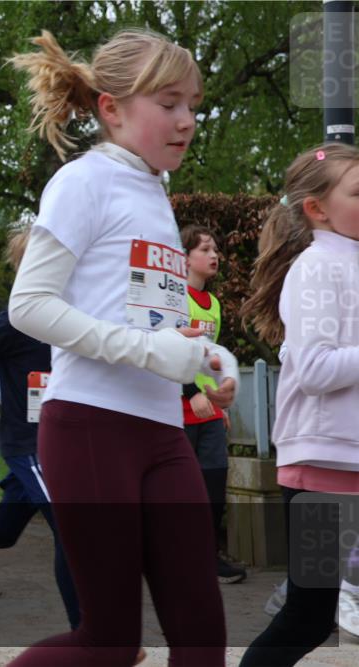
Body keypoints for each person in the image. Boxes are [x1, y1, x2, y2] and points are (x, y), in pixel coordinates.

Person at [6, 29, 238, 666]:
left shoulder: (155, 191)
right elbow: (29, 306)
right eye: (168, 103)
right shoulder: (83, 181)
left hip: (164, 434)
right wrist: (150, 352)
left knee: (203, 640)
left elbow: (146, 323)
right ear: (111, 108)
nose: (187, 120)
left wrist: (206, 360)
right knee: (109, 643)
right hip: (90, 427)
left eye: (193, 105)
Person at [238, 142, 359, 666]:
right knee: (308, 616)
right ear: (317, 208)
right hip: (324, 466)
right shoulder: (316, 267)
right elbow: (313, 369)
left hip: (345, 459)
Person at [0, 229, 81, 632]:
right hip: (30, 446)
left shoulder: (73, 313)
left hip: (65, 441)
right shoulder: (18, 316)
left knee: (2, 532)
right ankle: (87, 634)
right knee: (71, 529)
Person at [179, 223, 248, 584]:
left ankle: (208, 557)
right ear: (185, 257)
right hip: (178, 410)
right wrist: (191, 392)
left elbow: (210, 360)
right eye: (204, 249)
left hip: (209, 413)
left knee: (214, 486)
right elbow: (170, 352)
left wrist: (222, 405)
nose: (214, 255)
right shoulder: (175, 299)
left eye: (215, 249)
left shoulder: (215, 305)